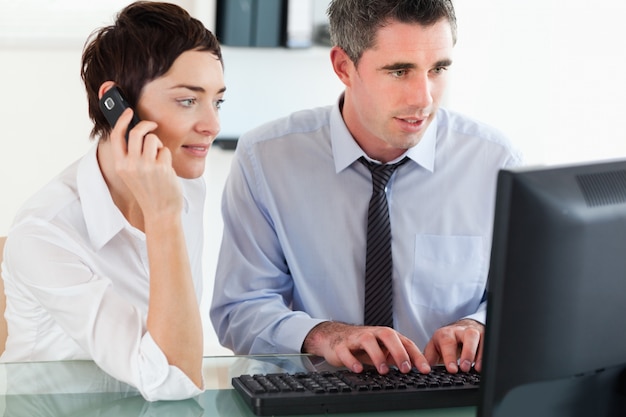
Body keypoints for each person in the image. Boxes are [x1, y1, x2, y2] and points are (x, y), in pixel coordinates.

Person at [211, 0, 521, 377]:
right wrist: (322, 335)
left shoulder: (494, 161)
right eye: (399, 71)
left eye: (438, 68)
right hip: (321, 400)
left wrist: (481, 325)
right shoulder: (266, 159)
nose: (423, 98)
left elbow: (528, 297)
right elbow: (239, 309)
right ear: (344, 66)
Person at [0, 1, 225, 401]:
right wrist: (162, 216)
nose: (212, 125)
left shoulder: (182, 184)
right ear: (116, 104)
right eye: (188, 100)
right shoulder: (44, 233)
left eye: (217, 100)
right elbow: (176, 378)